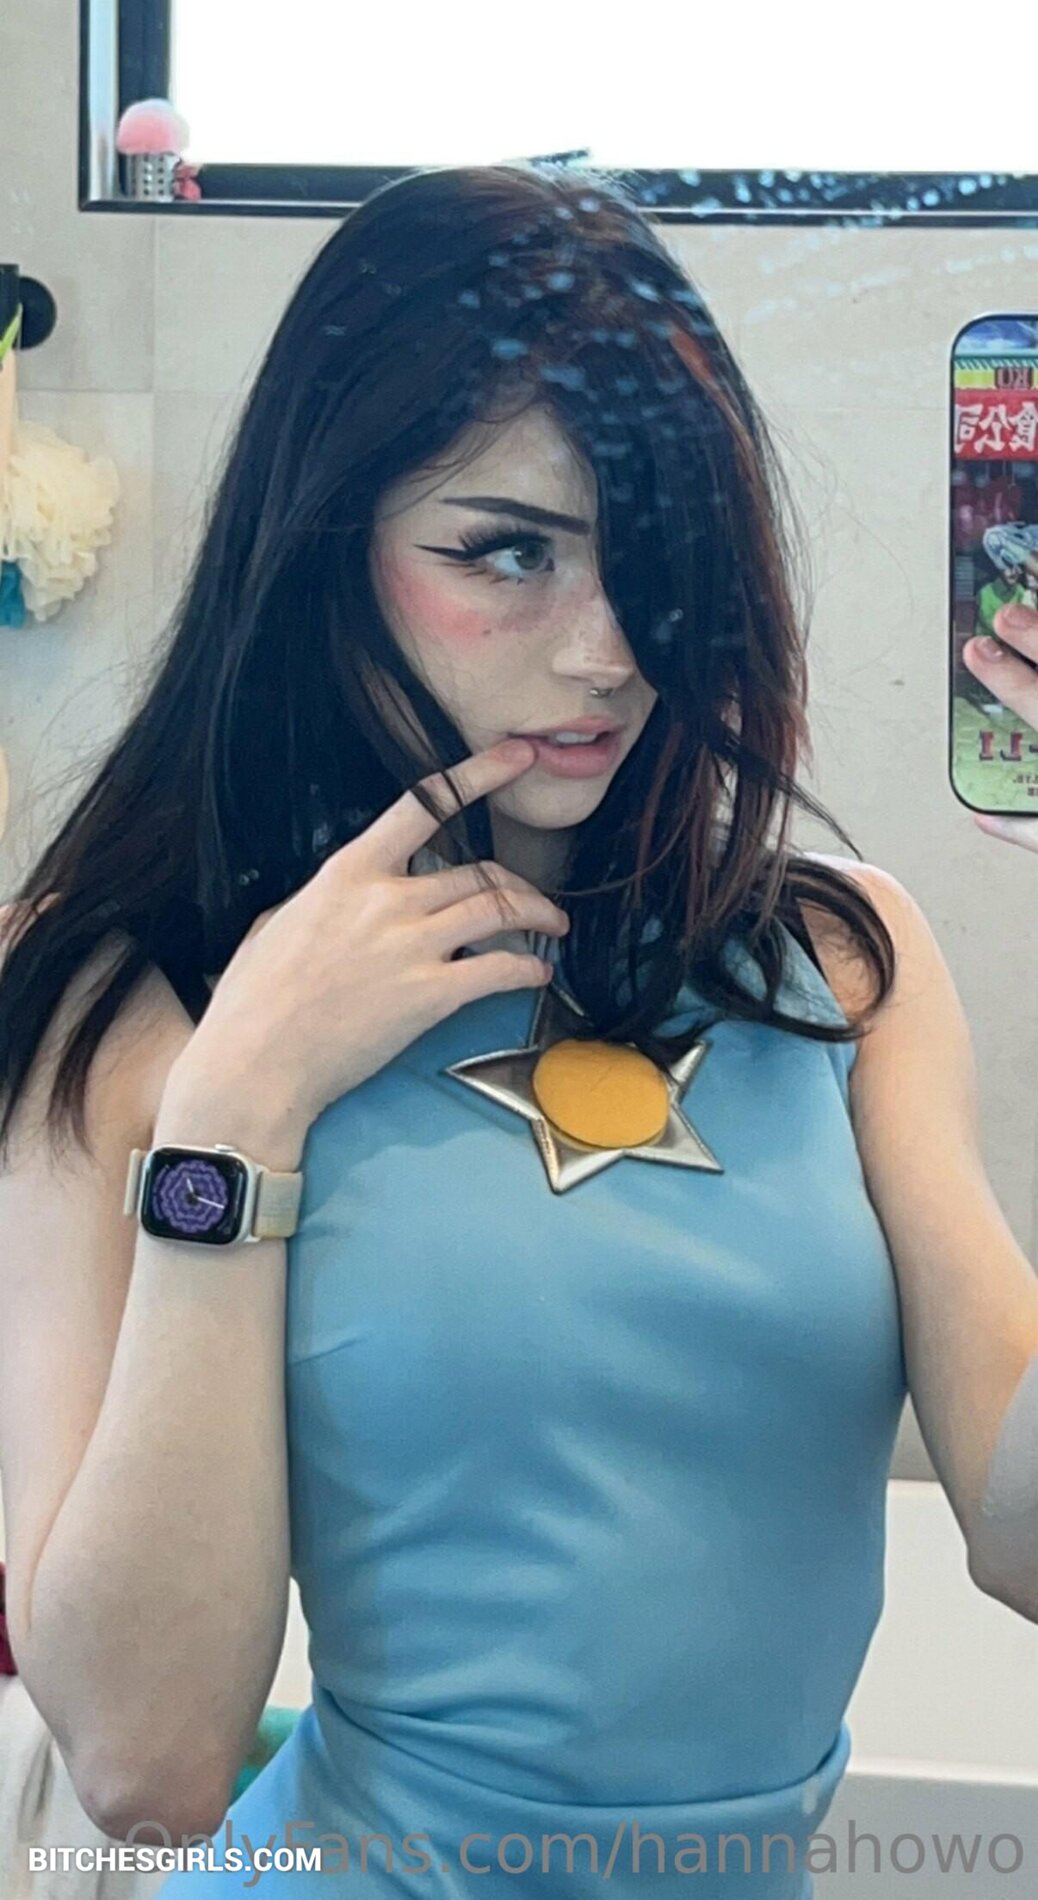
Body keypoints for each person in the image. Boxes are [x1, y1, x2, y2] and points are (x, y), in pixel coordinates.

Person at [0, 158, 965, 1896]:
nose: (607, 651)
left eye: (653, 560)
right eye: (504, 552)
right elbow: (144, 1774)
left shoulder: (836, 963)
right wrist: (236, 1113)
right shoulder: (128, 999)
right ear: (324, 546)